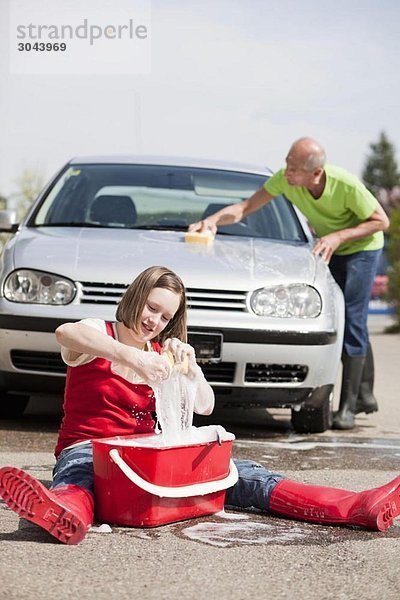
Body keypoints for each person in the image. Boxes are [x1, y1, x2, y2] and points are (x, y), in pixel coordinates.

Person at [0, 265, 399, 546]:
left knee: (243, 475)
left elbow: (205, 407)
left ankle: (356, 507)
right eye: (151, 307)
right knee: (81, 477)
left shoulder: (164, 352)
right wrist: (133, 357)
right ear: (135, 296)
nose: (154, 321)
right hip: (90, 449)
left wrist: (190, 369)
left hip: (147, 458)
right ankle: (63, 511)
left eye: (165, 316)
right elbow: (64, 332)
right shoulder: (97, 333)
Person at [189, 137, 390, 430]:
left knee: (354, 320)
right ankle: (366, 395)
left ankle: (348, 408)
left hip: (362, 247)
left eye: (293, 168)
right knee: (350, 319)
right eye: (287, 163)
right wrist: (213, 220)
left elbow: (380, 221)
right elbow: (246, 207)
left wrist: (337, 236)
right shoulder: (285, 180)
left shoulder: (346, 185)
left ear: (316, 173)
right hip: (330, 246)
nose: (286, 171)